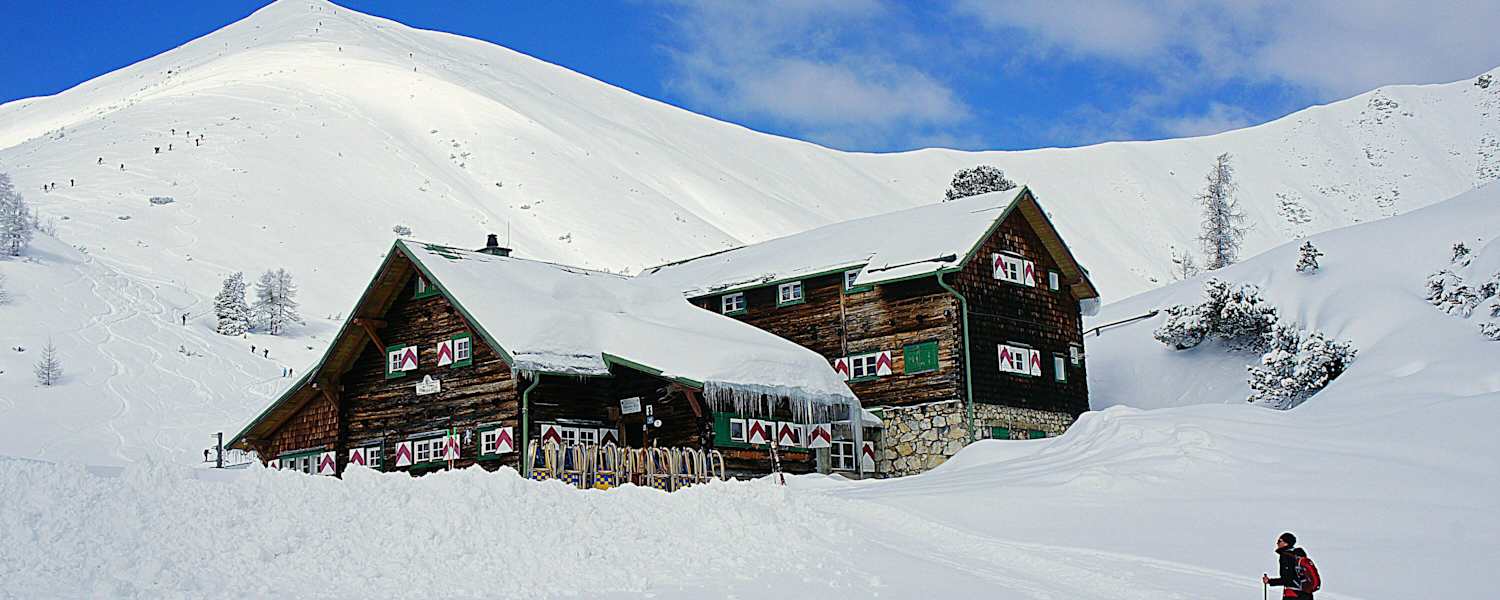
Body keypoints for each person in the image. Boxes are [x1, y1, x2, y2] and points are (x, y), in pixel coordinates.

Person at [1263, 532, 1313, 599]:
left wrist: (1270, 581)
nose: (1277, 543)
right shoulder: (1299, 555)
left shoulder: (1286, 556)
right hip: (1307, 594)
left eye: (1280, 541)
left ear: (1286, 543)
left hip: (1294, 594)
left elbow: (1287, 579)